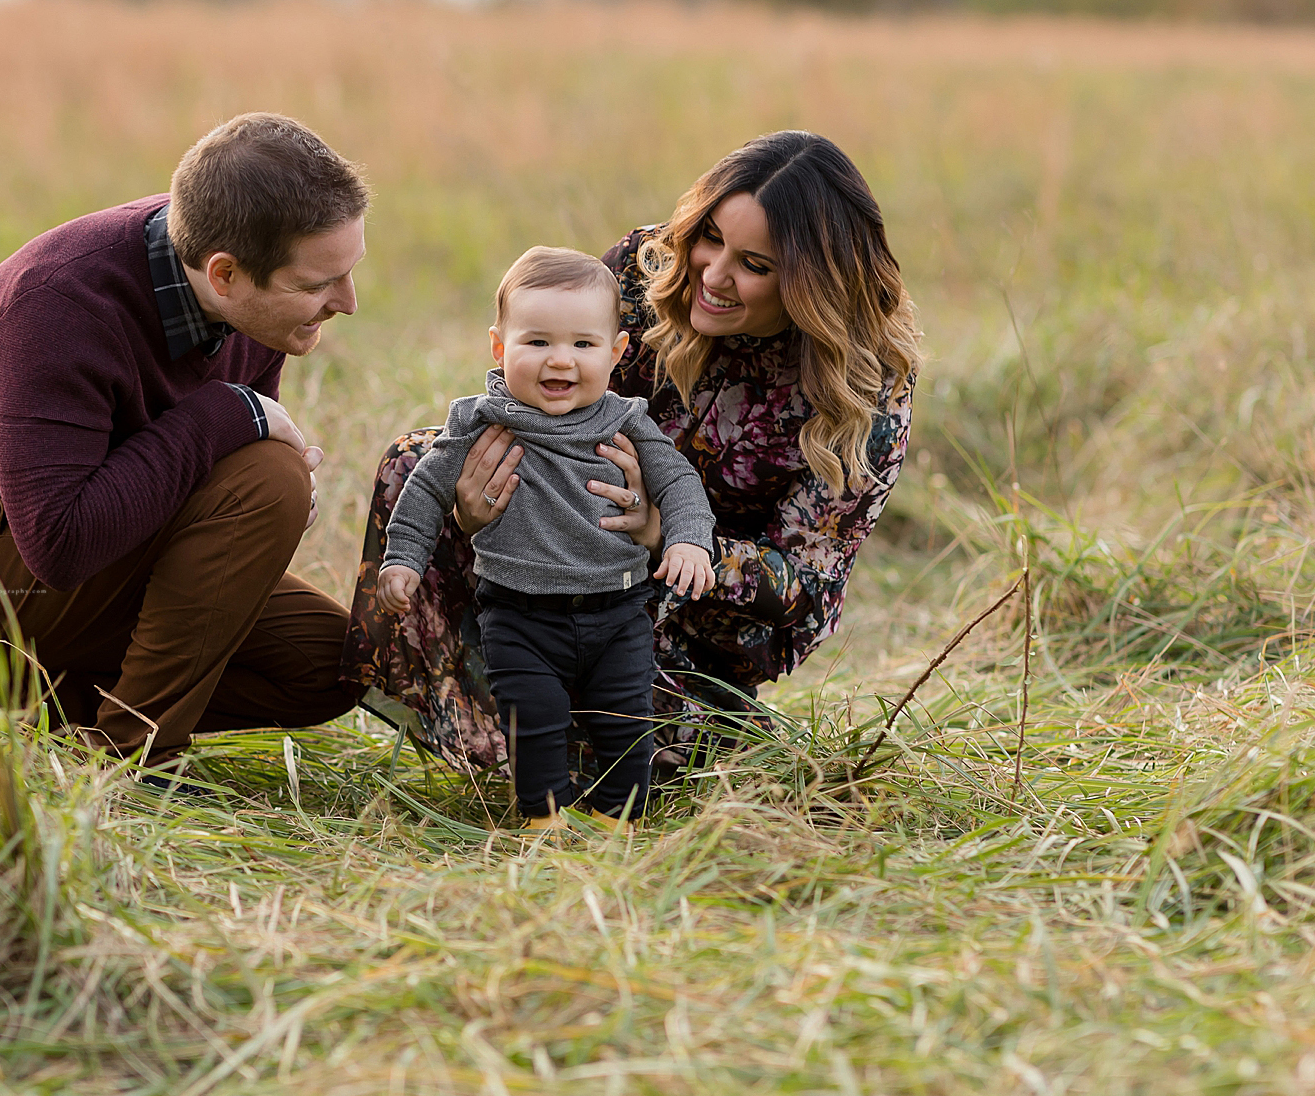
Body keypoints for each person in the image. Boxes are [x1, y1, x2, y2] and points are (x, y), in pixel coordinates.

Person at [345, 131, 919, 777]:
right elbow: (536, 390)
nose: (714, 274)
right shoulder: (645, 268)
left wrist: (664, 532)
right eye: (711, 237)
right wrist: (476, 509)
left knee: (646, 747)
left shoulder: (863, 387)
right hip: (559, 552)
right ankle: (487, 737)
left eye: (755, 265)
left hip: (693, 627)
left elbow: (806, 585)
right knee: (414, 464)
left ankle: (613, 735)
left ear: (814, 280)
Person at [0, 112, 369, 773]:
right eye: (315, 285)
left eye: (346, 271)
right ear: (224, 275)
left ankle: (14, 700)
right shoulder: (56, 305)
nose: (348, 301)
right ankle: (130, 759)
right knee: (271, 477)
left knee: (334, 668)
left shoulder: (242, 277)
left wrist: (248, 482)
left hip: (111, 542)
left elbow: (212, 473)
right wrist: (230, 416)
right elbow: (60, 542)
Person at [377, 247, 715, 825]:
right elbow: (427, 489)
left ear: (616, 353)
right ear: (499, 346)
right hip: (519, 613)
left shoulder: (625, 419)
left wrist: (687, 539)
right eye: (537, 342)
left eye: (583, 345)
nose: (561, 361)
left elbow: (678, 480)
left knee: (627, 721)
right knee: (532, 719)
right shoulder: (481, 419)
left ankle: (619, 820)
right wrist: (403, 557)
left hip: (618, 609)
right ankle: (543, 821)